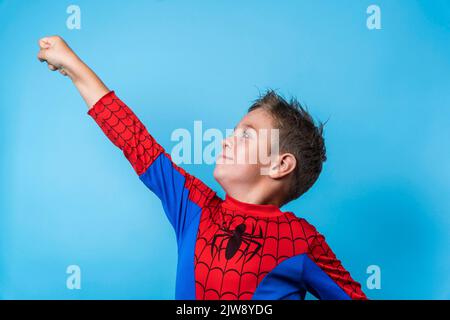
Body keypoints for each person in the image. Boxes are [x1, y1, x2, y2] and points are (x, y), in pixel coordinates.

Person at [37, 35, 367, 300]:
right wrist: (73, 66)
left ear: (280, 164)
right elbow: (134, 139)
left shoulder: (301, 241)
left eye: (245, 136)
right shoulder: (194, 207)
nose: (226, 141)